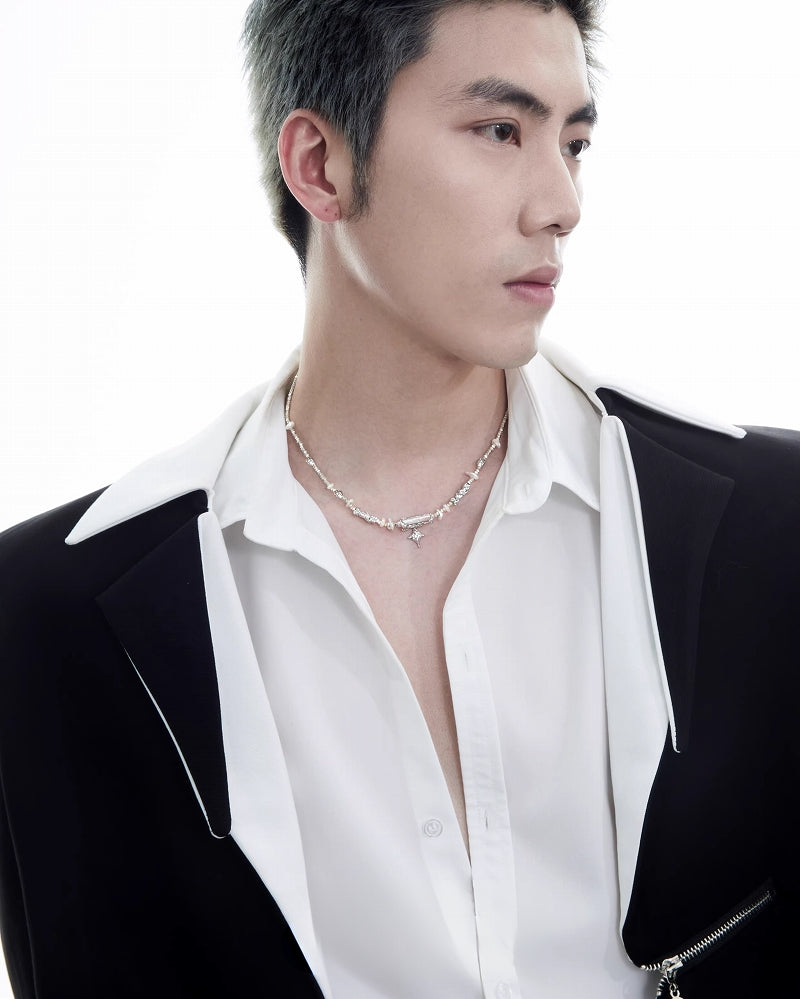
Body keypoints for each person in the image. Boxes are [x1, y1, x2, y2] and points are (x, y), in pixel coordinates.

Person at [0, 1, 797, 996]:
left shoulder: (768, 526)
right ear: (320, 165)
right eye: (498, 131)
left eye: (573, 142)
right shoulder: (49, 616)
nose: (560, 204)